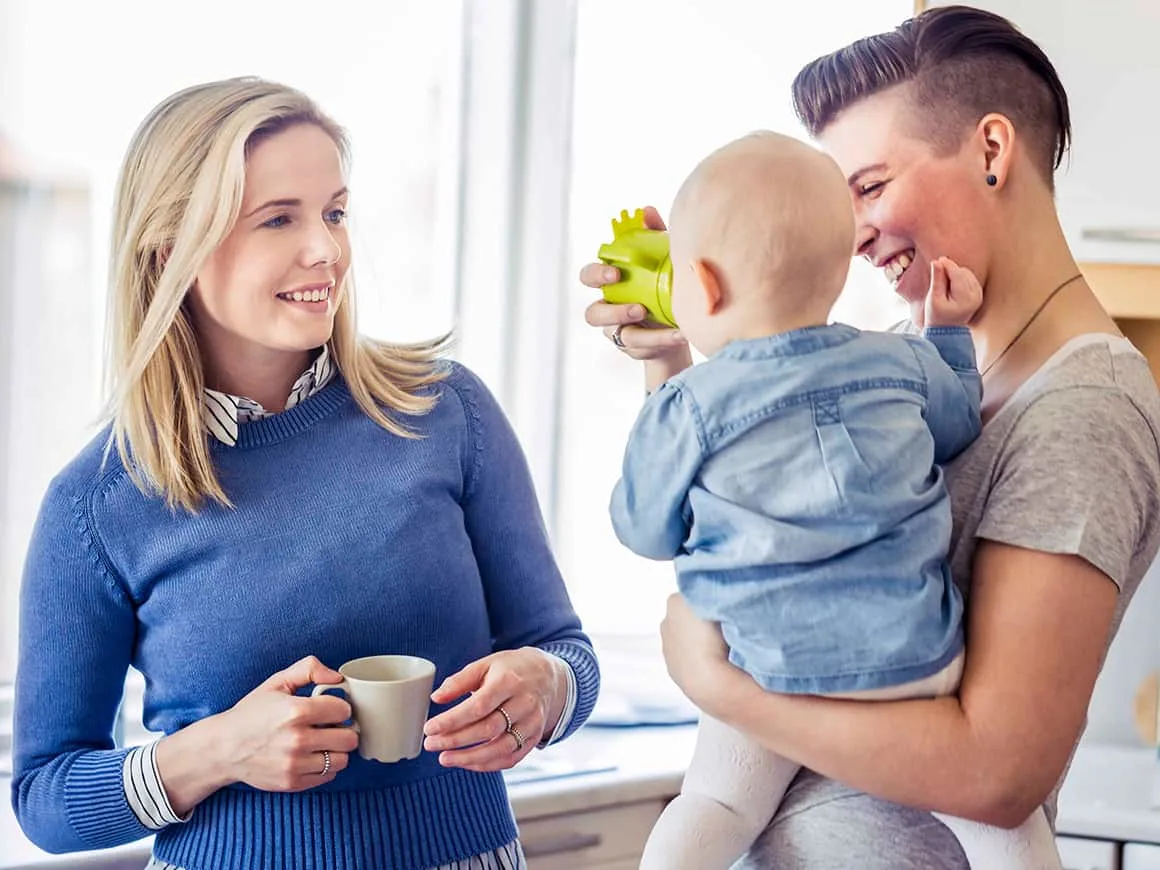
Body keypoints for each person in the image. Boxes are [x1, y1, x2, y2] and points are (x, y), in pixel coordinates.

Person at [583, 6, 1160, 868]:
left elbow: (997, 774)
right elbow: (756, 531)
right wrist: (678, 357)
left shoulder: (1083, 408)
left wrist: (722, 689)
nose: (850, 234)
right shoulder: (904, 366)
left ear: (992, 152)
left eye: (870, 186)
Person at [12, 77, 599, 870]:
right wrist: (216, 752)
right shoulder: (99, 504)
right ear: (171, 252)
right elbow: (46, 798)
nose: (325, 249)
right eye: (277, 219)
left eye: (334, 211)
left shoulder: (445, 411)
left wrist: (547, 688)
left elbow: (564, 650)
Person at [610, 130, 1058, 870]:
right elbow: (955, 426)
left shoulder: (689, 406)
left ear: (703, 285)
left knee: (717, 806)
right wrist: (945, 335)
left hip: (768, 666)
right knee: (1004, 828)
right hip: (913, 664)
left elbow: (645, 530)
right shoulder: (901, 362)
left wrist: (664, 384)